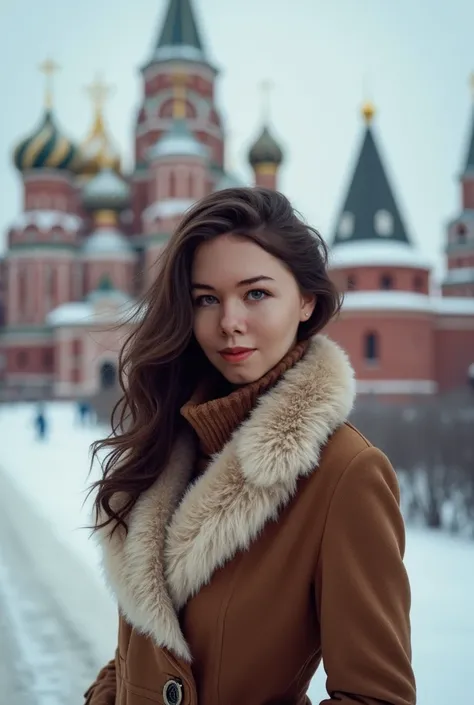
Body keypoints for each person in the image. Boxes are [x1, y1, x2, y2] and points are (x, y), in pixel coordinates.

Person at [85, 187, 416, 705]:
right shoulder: (167, 446)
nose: (229, 322)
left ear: (306, 300)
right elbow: (151, 640)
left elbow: (378, 697)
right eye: (206, 299)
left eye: (256, 294)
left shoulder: (345, 474)